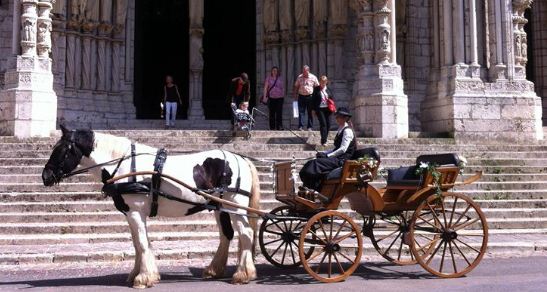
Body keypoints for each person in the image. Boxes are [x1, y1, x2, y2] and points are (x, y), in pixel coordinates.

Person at [299, 107, 356, 191]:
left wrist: (328, 156)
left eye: (338, 117)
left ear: (345, 118)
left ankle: (311, 187)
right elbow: (336, 148)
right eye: (336, 116)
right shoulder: (341, 129)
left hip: (342, 160)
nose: (336, 118)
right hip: (337, 158)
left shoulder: (347, 131)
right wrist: (324, 153)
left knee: (315, 164)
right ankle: (309, 186)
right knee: (311, 162)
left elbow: (343, 149)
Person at [293, 65, 319, 131]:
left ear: (308, 71)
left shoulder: (313, 77)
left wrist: (316, 97)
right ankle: (300, 126)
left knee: (310, 112)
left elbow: (317, 87)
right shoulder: (299, 77)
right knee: (301, 112)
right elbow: (296, 86)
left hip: (310, 97)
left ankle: (309, 127)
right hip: (301, 96)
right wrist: (295, 95)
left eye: (305, 72)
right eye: (303, 71)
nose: (304, 73)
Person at [312, 75, 334, 146]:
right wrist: (313, 110)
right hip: (320, 109)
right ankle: (323, 141)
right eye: (321, 82)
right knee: (323, 124)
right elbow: (313, 100)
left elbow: (331, 99)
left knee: (328, 124)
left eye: (324, 82)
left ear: (326, 82)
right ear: (319, 81)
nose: (323, 83)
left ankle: (325, 138)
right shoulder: (316, 89)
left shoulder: (329, 89)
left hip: (328, 109)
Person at [263, 66, 285, 130]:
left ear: (278, 72)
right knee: (272, 113)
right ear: (271, 71)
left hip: (280, 98)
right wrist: (264, 97)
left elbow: (283, 87)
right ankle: (272, 127)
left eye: (276, 71)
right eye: (273, 70)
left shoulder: (280, 78)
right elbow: (265, 88)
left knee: (279, 113)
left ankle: (279, 127)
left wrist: (283, 94)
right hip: (271, 98)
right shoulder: (268, 78)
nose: (275, 72)